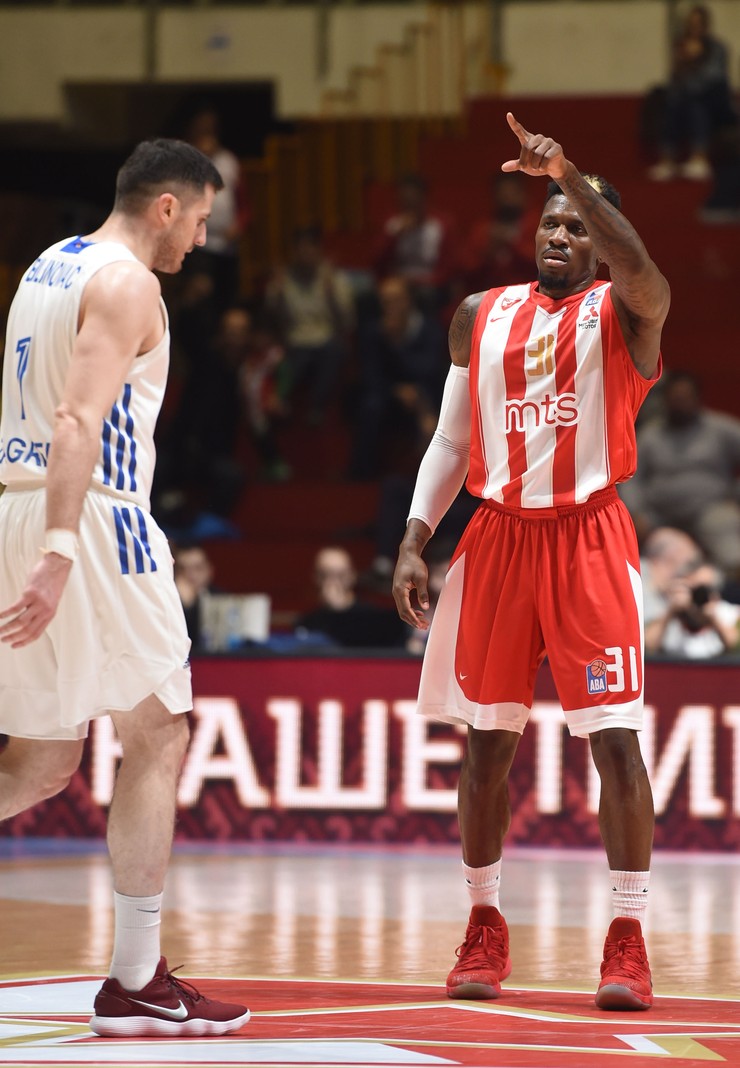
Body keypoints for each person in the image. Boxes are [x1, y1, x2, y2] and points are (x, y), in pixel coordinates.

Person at [393, 112, 670, 1011]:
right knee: (486, 746)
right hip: (499, 538)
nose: (560, 233)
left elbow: (644, 271)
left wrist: (571, 178)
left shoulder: (625, 310)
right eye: (551, 221)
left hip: (588, 537)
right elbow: (450, 439)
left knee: (616, 743)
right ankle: (484, 924)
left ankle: (627, 938)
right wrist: (415, 537)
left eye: (578, 226)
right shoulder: (480, 315)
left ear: (601, 241)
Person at [0, 139, 250, 1036]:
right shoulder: (129, 282)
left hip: (15, 503)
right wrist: (63, 548)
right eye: (202, 221)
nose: (202, 242)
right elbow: (77, 417)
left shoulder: (47, 263)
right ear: (166, 207)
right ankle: (138, 977)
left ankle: (139, 976)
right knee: (160, 727)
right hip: (92, 519)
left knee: (41, 761)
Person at [620, 371, 740, 578]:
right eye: (675, 398)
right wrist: (636, 512)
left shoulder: (721, 429)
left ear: (697, 398)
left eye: (685, 398)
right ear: (666, 400)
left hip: (711, 508)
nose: (680, 404)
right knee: (642, 552)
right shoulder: (650, 435)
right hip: (658, 515)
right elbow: (630, 476)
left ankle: (733, 583)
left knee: (724, 530)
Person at [265, 225, 354, 426]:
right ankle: (279, 403)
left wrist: (331, 295)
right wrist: (277, 293)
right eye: (300, 248)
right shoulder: (284, 278)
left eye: (310, 247)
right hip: (295, 338)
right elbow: (271, 317)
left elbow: (348, 320)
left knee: (333, 351)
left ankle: (317, 408)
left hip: (326, 338)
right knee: (295, 358)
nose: (305, 253)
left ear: (318, 250)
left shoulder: (332, 277)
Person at [647, 4, 734, 181]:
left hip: (715, 101)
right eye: (691, 24)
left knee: (696, 104)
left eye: (698, 24)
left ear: (705, 25)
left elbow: (713, 79)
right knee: (673, 102)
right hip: (686, 100)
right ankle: (667, 160)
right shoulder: (682, 48)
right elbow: (675, 80)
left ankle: (699, 158)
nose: (695, 28)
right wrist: (684, 60)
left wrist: (698, 58)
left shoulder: (717, 48)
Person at [295, 546, 405, 649]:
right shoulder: (307, 622)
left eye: (340, 575)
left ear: (352, 576)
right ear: (315, 577)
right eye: (325, 575)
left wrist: (339, 610)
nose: (333, 582)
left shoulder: (374, 617)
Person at [645, 560, 740, 658]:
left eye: (705, 589)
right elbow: (647, 646)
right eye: (694, 590)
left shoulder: (732, 614)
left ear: (716, 593)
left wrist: (714, 618)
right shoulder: (669, 613)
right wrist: (671, 611)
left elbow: (735, 646)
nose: (699, 595)